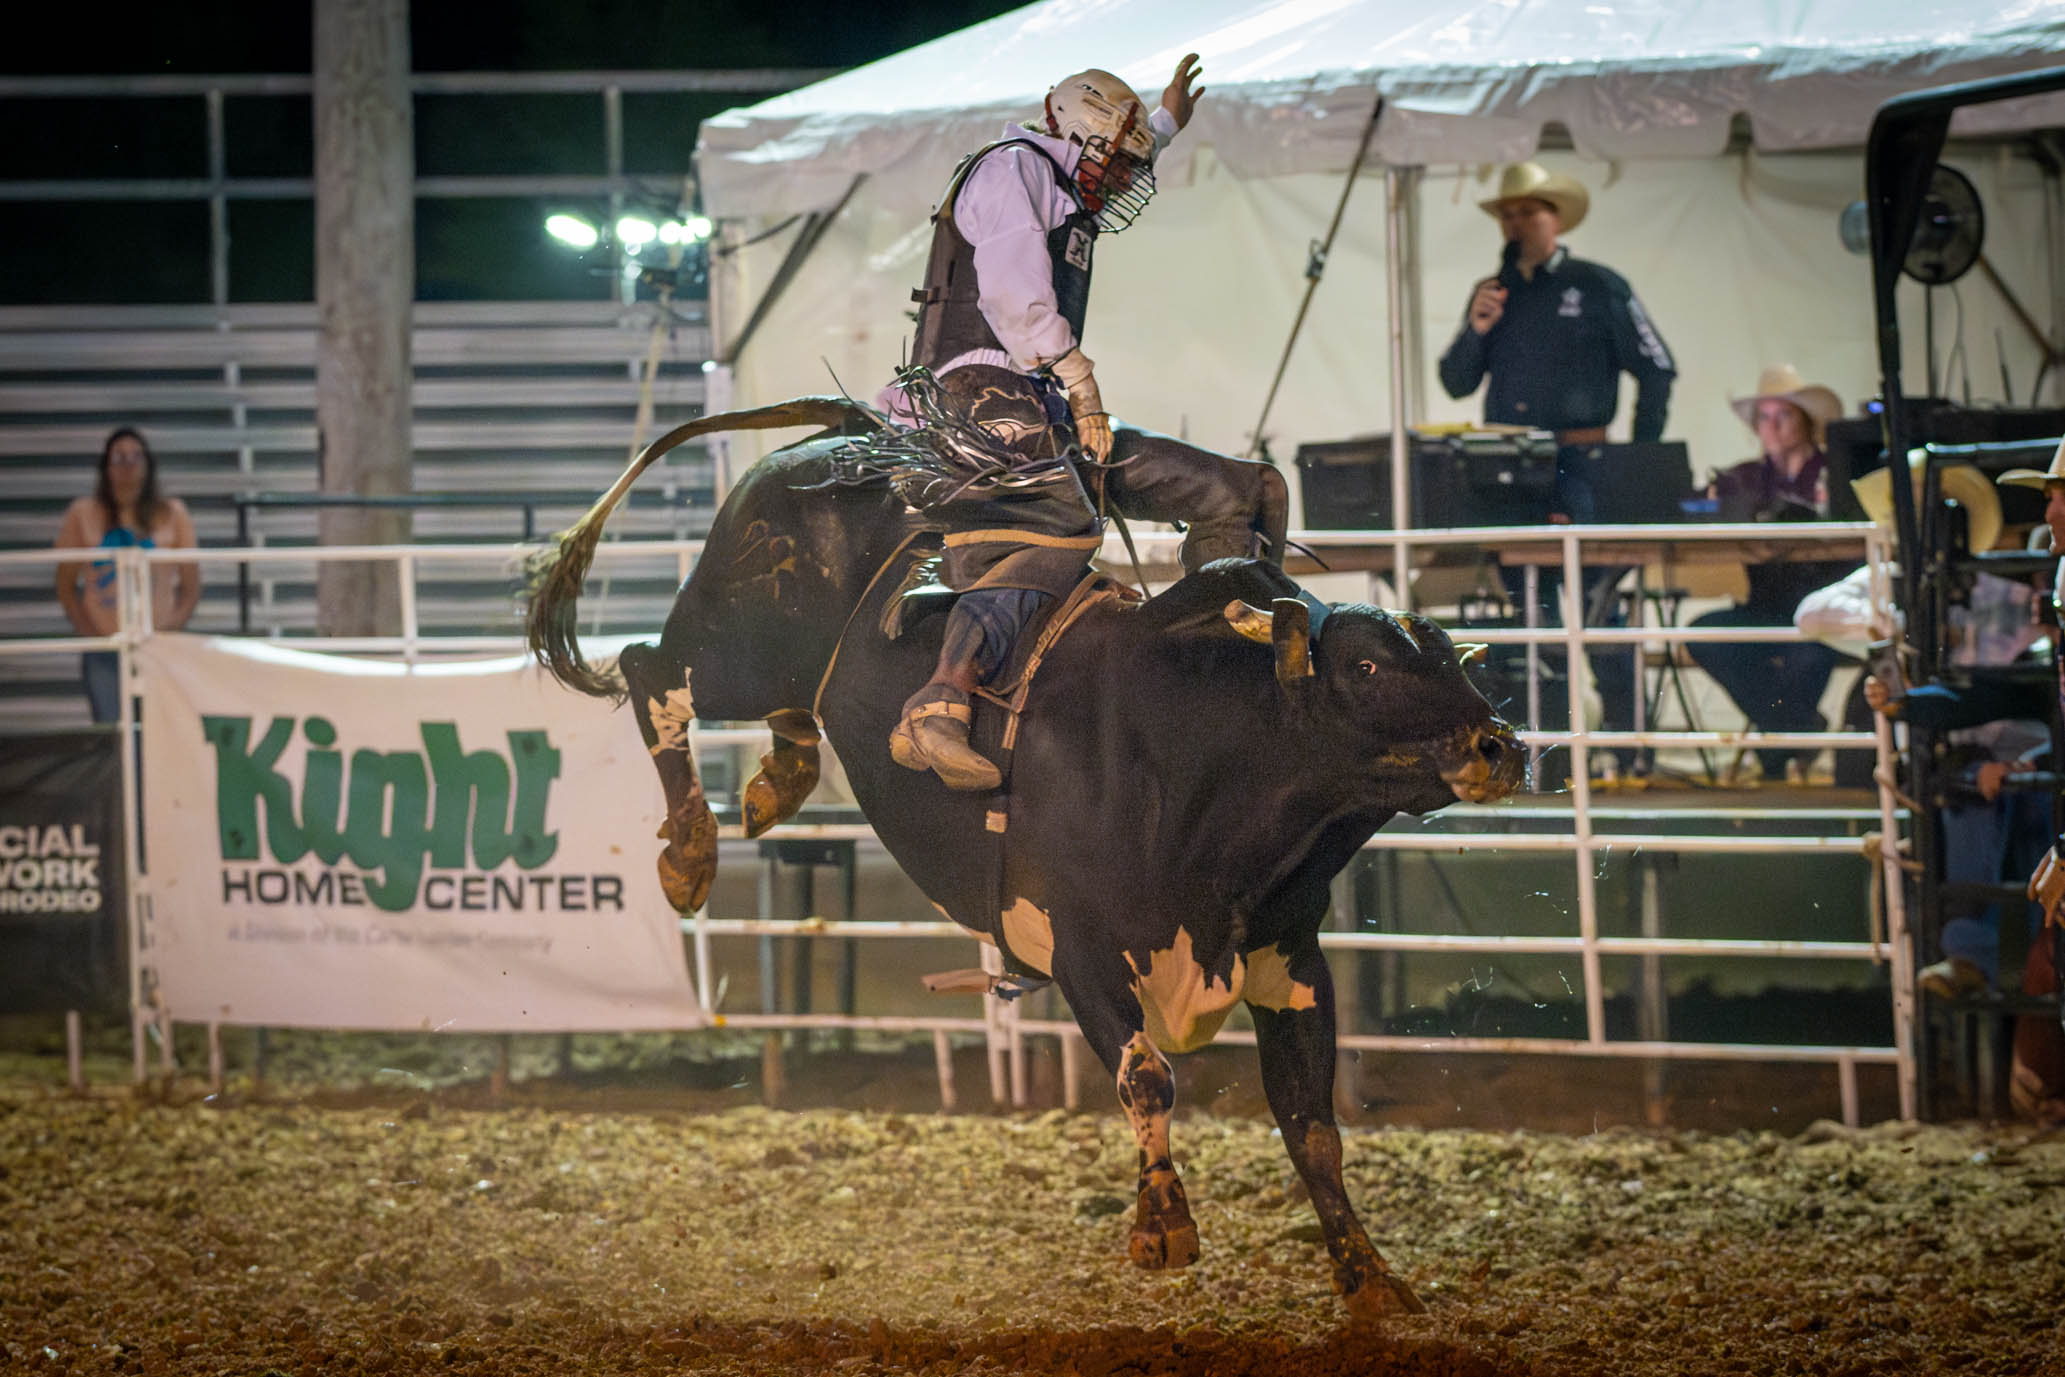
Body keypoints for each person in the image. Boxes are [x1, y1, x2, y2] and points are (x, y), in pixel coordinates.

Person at [881, 56, 1289, 790]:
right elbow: (1013, 298)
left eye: (1132, 164)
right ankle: (941, 696)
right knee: (1062, 517)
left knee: (1235, 490)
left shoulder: (1058, 176)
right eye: (1118, 161)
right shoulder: (1013, 170)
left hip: (1035, 400)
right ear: (1074, 135)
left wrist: (1163, 125)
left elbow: (1108, 164)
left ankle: (1222, 651)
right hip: (972, 391)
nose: (1127, 178)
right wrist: (1081, 380)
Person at [1436, 162, 1677, 778]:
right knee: (1528, 622)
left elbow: (1656, 367)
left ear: (1556, 219)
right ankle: (1551, 757)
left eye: (1528, 212)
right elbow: (1456, 381)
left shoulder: (1598, 285)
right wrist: (1476, 326)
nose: (1517, 224)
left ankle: (1628, 751)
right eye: (1509, 214)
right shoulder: (1494, 291)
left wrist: (1634, 459)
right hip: (1510, 474)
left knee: (1601, 614)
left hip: (1584, 466)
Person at [1686, 366, 1853, 784]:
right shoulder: (1742, 477)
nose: (1773, 426)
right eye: (1765, 416)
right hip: (1766, 608)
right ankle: (1797, 730)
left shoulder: (1837, 472)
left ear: (1805, 422)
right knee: (1704, 636)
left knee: (1807, 656)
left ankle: (1779, 744)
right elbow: (1698, 505)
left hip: (1823, 611)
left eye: (1784, 415)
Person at [55, 427, 200, 722]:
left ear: (148, 465)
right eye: (119, 458)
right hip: (105, 648)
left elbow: (191, 584)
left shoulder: (173, 513)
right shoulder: (82, 513)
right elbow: (65, 584)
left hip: (158, 647)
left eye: (136, 457)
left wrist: (168, 632)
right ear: (106, 467)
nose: (128, 466)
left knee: (160, 731)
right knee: (113, 736)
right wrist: (92, 636)